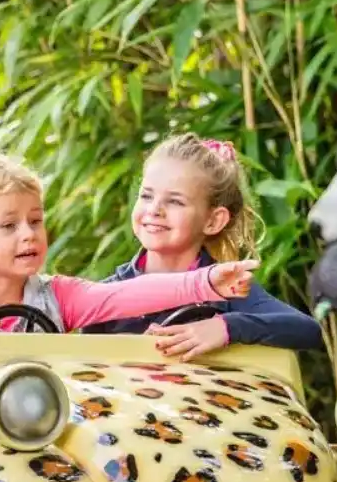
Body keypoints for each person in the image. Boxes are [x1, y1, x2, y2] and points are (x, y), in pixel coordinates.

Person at [0, 152, 259, 422]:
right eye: (8, 225)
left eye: (35, 221)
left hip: (35, 439)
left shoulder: (57, 296)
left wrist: (206, 281)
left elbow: (125, 295)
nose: (28, 234)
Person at [83, 133, 323, 359]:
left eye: (175, 201)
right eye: (146, 196)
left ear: (213, 221)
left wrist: (226, 327)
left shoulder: (224, 288)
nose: (154, 209)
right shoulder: (109, 293)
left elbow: (308, 330)